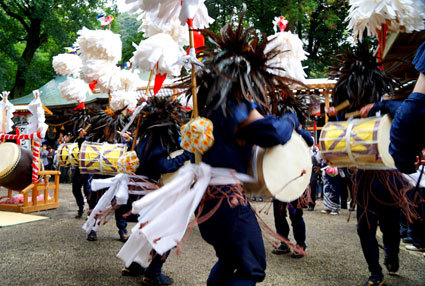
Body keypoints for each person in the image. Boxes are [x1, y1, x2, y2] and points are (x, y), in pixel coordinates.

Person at [178, 10, 313, 285]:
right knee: (252, 268)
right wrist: (290, 117)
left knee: (229, 261)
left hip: (206, 202)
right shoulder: (235, 106)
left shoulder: (210, 109)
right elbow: (274, 132)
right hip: (228, 201)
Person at [327, 42, 411, 286]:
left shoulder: (386, 107)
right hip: (364, 180)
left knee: (391, 227)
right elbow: (341, 134)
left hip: (388, 178)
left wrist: (380, 105)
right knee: (365, 228)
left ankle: (392, 254)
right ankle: (376, 273)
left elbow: (405, 110)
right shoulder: (352, 114)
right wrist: (337, 116)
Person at [119, 97, 193, 285]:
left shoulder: (147, 137)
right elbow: (163, 165)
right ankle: (153, 273)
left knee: (147, 231)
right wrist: (187, 154)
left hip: (147, 193)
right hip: (156, 194)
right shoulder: (159, 140)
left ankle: (134, 265)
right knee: (167, 232)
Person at [71, 128, 91, 219]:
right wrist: (81, 136)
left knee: (88, 190)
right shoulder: (79, 138)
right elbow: (79, 145)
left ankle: (91, 210)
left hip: (90, 166)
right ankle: (81, 207)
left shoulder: (93, 133)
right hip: (80, 166)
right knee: (75, 189)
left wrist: (87, 136)